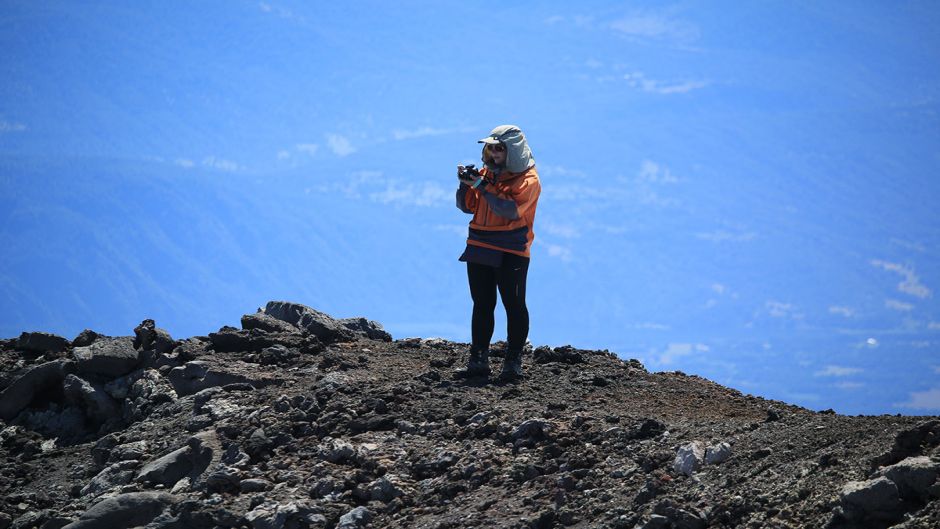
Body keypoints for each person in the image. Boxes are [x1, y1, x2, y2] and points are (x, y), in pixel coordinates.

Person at [454, 125, 541, 381]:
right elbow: (466, 207)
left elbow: (510, 211)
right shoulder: (486, 175)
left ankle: (513, 363)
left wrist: (480, 185)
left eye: (499, 148)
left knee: (513, 305)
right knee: (482, 304)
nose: (493, 153)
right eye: (490, 148)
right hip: (480, 245)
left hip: (511, 250)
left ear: (512, 151)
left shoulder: (528, 180)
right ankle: (478, 361)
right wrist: (464, 185)